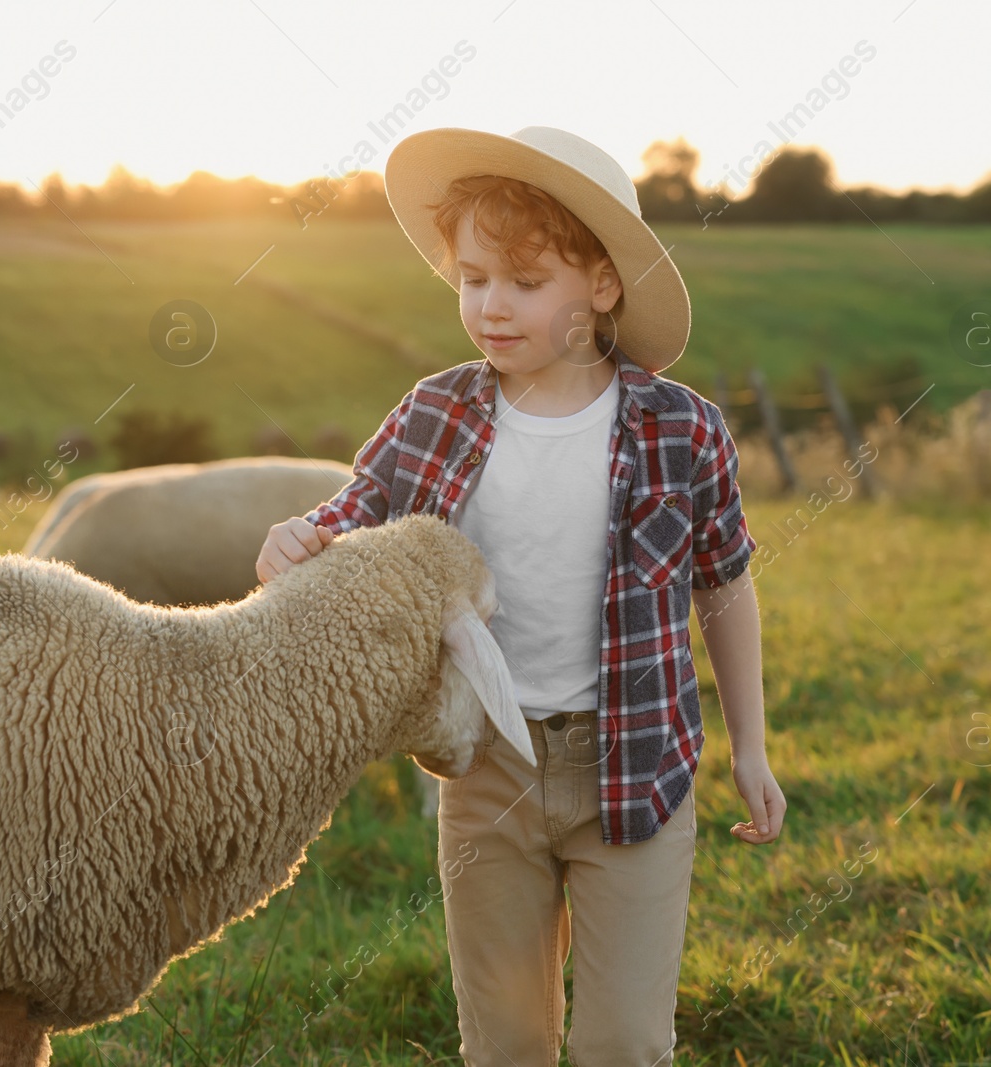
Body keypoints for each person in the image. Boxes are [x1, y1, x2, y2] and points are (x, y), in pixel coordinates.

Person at [256, 125, 785, 1066]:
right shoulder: (435, 412)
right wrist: (296, 540)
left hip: (635, 764)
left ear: (602, 286)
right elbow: (344, 522)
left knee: (624, 1042)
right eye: (472, 280)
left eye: (526, 284)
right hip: (490, 767)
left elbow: (725, 583)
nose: (491, 307)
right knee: (503, 1043)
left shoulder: (681, 429)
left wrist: (750, 745)